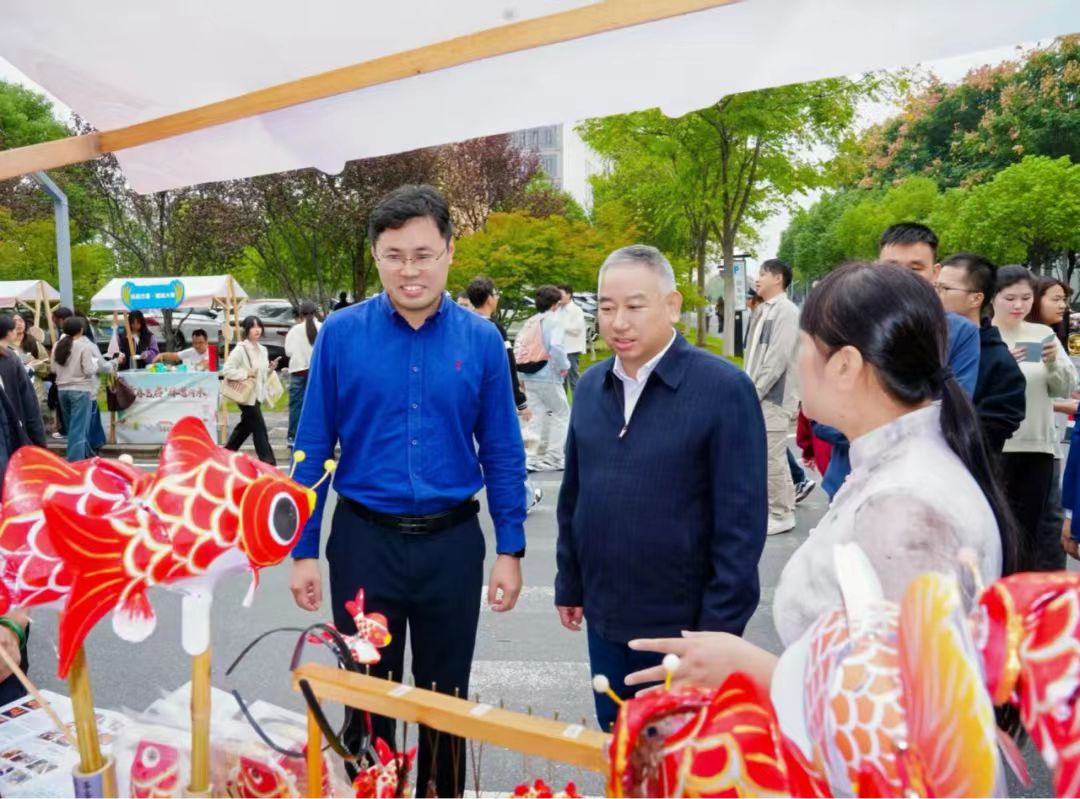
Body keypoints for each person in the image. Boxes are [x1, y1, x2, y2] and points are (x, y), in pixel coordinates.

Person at [625, 262, 1016, 693]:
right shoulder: (897, 468)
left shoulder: (904, 508)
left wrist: (753, 670)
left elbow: (909, 707)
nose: (798, 362)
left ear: (845, 365)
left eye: (804, 347)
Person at [289, 184, 527, 797]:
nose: (409, 270)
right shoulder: (341, 334)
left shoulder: (481, 341)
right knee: (367, 696)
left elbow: (502, 450)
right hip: (364, 544)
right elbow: (311, 446)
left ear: (449, 252)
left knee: (445, 697)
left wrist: (511, 547)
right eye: (394, 256)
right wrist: (303, 549)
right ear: (376, 256)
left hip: (452, 545)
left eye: (423, 254)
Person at [555, 244, 767, 731]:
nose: (618, 322)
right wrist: (571, 581)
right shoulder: (590, 386)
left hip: (684, 628)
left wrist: (716, 634)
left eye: (635, 306)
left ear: (672, 306)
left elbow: (741, 525)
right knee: (619, 745)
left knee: (682, 756)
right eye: (607, 307)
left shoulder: (722, 388)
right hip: (606, 616)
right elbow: (575, 494)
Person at [813, 223, 981, 499]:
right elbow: (823, 417)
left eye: (915, 268)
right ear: (876, 268)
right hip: (849, 482)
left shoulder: (960, 333)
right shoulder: (844, 328)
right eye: (891, 267)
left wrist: (864, 422)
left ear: (935, 272)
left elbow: (952, 414)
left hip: (921, 485)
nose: (902, 278)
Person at [993, 265, 1076, 572]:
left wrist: (1053, 362)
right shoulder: (984, 336)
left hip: (1038, 447)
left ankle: (1024, 593)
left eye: (1026, 298)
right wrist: (1003, 366)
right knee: (996, 530)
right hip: (997, 447)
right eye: (1010, 298)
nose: (1019, 305)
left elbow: (1065, 387)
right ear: (992, 297)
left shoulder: (1042, 334)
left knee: (1030, 533)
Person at [936, 253, 1026, 455]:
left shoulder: (1000, 362)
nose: (935, 294)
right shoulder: (925, 342)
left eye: (944, 289)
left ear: (976, 298)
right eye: (935, 286)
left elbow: (994, 429)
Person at [465, 277, 543, 513]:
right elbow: (507, 365)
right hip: (494, 399)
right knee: (505, 453)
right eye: (496, 294)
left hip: (468, 398)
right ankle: (523, 497)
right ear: (490, 298)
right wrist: (520, 401)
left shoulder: (463, 326)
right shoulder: (494, 330)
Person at [744, 259, 800, 535]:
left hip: (773, 397)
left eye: (763, 274)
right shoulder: (764, 309)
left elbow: (778, 358)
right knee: (768, 455)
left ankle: (781, 513)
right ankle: (780, 507)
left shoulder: (786, 311)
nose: (758, 279)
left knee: (771, 458)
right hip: (760, 394)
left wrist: (753, 392)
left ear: (778, 279)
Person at [1028, 276, 1076, 571]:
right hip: (1036, 445)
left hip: (1049, 441)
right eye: (1055, 299)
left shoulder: (1050, 336)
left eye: (1064, 299)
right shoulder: (1031, 340)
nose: (1063, 305)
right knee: (1049, 524)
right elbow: (1026, 389)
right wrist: (1063, 404)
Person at [518, 286, 571, 473]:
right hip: (548, 373)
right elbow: (556, 346)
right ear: (555, 304)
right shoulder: (554, 320)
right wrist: (564, 366)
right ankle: (554, 457)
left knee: (535, 416)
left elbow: (520, 348)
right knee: (561, 413)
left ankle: (530, 458)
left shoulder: (531, 321)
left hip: (529, 373)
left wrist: (520, 376)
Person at [222, 316, 279, 466]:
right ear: (246, 330)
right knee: (260, 429)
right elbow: (226, 370)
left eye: (259, 326)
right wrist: (246, 373)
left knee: (245, 427)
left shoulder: (263, 350)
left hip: (257, 394)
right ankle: (269, 463)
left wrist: (270, 369)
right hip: (245, 395)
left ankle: (226, 454)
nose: (257, 330)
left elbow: (261, 374)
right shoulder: (240, 349)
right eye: (253, 327)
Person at [52, 317, 110, 462]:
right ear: (81, 330)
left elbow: (53, 368)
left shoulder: (57, 345)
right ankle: (75, 461)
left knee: (73, 428)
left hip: (62, 390)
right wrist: (96, 365)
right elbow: (89, 370)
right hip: (80, 390)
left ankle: (88, 456)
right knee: (78, 429)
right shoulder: (84, 346)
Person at [0, 314, 47, 468]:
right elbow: (30, 405)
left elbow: (47, 365)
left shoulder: (32, 343)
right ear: (9, 332)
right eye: (15, 323)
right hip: (9, 429)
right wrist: (39, 443)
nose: (19, 325)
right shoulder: (10, 358)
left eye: (21, 321)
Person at [284, 302, 321, 447]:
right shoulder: (322, 327)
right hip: (316, 372)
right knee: (316, 405)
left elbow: (288, 352)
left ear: (300, 314)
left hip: (298, 370)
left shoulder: (294, 330)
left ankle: (293, 437)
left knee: (296, 405)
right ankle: (314, 435)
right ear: (316, 312)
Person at [556, 283, 587, 395]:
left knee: (573, 378)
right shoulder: (557, 309)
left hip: (571, 349)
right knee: (561, 380)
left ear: (569, 294)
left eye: (561, 294)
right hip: (559, 349)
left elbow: (577, 329)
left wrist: (559, 325)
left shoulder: (576, 310)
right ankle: (563, 405)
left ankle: (578, 403)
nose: (559, 297)